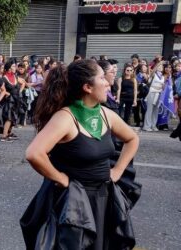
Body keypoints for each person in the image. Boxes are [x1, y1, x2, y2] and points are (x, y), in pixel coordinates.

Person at [21, 60, 139, 249]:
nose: (109, 82)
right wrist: (59, 178)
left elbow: (132, 139)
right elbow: (34, 154)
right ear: (87, 87)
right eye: (102, 77)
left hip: (103, 197)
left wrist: (117, 170)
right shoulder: (65, 118)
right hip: (73, 203)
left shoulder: (105, 114)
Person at [1, 60, 24, 141]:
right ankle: (4, 136)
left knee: (14, 116)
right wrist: (7, 94)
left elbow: (23, 82)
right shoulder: (4, 78)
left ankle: (9, 132)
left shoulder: (15, 76)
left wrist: (20, 91)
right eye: (14, 66)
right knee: (9, 117)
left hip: (16, 99)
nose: (16, 68)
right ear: (9, 68)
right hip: (9, 101)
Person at [143, 62, 165, 131]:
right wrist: (158, 64)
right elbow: (153, 71)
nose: (160, 67)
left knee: (156, 110)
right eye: (159, 66)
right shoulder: (154, 74)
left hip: (159, 93)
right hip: (152, 92)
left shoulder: (163, 76)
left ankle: (153, 125)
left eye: (161, 66)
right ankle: (147, 126)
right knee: (150, 109)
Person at [156, 62, 175, 130]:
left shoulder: (170, 76)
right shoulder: (162, 75)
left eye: (169, 67)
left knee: (166, 110)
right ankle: (160, 124)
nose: (168, 69)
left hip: (168, 95)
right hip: (162, 95)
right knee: (161, 110)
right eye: (166, 67)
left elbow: (171, 86)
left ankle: (165, 124)